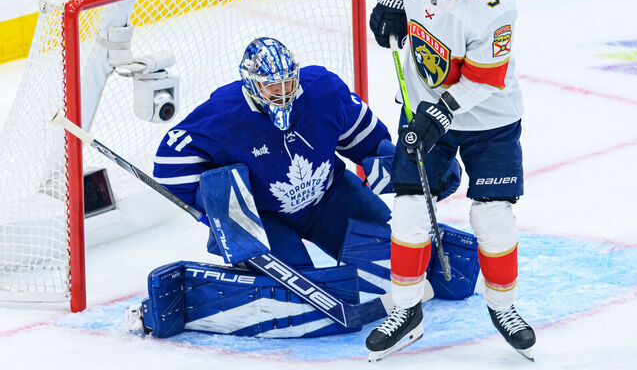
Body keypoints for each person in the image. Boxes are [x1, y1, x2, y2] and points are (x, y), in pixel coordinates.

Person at [126, 37, 470, 339]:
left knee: (390, 260)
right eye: (272, 88)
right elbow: (170, 166)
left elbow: (368, 143)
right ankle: (191, 301)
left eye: (289, 83)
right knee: (298, 297)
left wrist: (414, 168)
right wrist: (219, 210)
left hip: (330, 197)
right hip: (268, 219)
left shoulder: (323, 91)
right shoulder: (223, 113)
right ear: (250, 85)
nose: (284, 93)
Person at [366, 0, 536, 361]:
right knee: (407, 211)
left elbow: (483, 81)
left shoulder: (494, 5)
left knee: (493, 216)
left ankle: (503, 307)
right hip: (424, 107)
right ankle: (406, 311)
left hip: (490, 119)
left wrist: (438, 112)